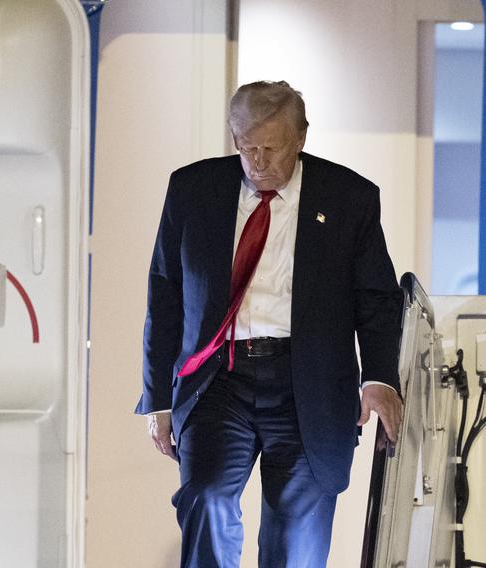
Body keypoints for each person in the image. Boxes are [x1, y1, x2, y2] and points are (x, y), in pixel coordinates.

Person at [136, 80, 403, 567]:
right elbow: (165, 293)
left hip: (310, 386)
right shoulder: (192, 189)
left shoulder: (349, 198)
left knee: (295, 533)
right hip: (220, 378)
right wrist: (156, 398)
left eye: (270, 149)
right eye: (246, 146)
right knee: (206, 496)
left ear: (300, 138)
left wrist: (379, 378)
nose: (258, 161)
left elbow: (378, 298)